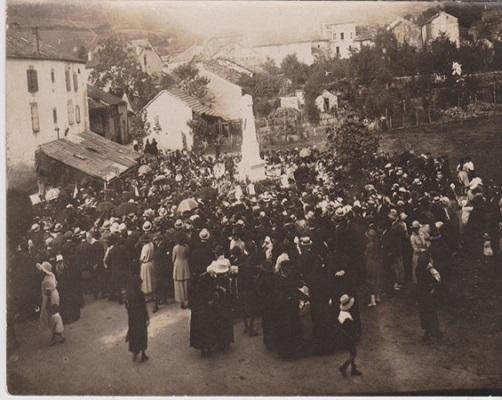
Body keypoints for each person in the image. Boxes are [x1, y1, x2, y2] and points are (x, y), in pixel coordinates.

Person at [416, 254, 442, 343]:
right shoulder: (428, 272)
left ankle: (435, 331)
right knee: (430, 314)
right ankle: (427, 335)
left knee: (427, 314)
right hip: (429, 296)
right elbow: (437, 280)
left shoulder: (418, 269)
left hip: (422, 296)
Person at [37, 262, 65, 346]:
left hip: (50, 298)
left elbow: (48, 292)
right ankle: (58, 335)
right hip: (55, 295)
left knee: (51, 316)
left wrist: (47, 303)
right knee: (55, 315)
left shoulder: (46, 280)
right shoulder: (51, 275)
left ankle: (55, 336)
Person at [336, 294, 362, 377]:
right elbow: (350, 329)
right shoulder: (347, 317)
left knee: (352, 353)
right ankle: (344, 367)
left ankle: (353, 370)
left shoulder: (342, 313)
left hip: (345, 336)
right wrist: (354, 337)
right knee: (353, 354)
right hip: (348, 337)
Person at [125, 275, 149, 362]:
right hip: (141, 318)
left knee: (133, 335)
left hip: (132, 319)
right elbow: (143, 307)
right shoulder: (140, 294)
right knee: (142, 335)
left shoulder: (128, 295)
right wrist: (147, 317)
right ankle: (143, 353)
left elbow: (127, 307)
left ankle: (134, 352)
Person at [365, 224, 383, 307]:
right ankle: (378, 296)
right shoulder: (377, 244)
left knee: (370, 281)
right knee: (377, 279)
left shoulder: (369, 246)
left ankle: (372, 300)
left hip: (370, 263)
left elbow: (365, 255)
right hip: (377, 263)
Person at [172, 235, 191, 308]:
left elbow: (173, 258)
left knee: (179, 284)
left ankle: (181, 302)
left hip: (178, 264)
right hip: (185, 264)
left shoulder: (175, 248)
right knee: (186, 284)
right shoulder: (186, 247)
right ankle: (187, 300)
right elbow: (188, 255)